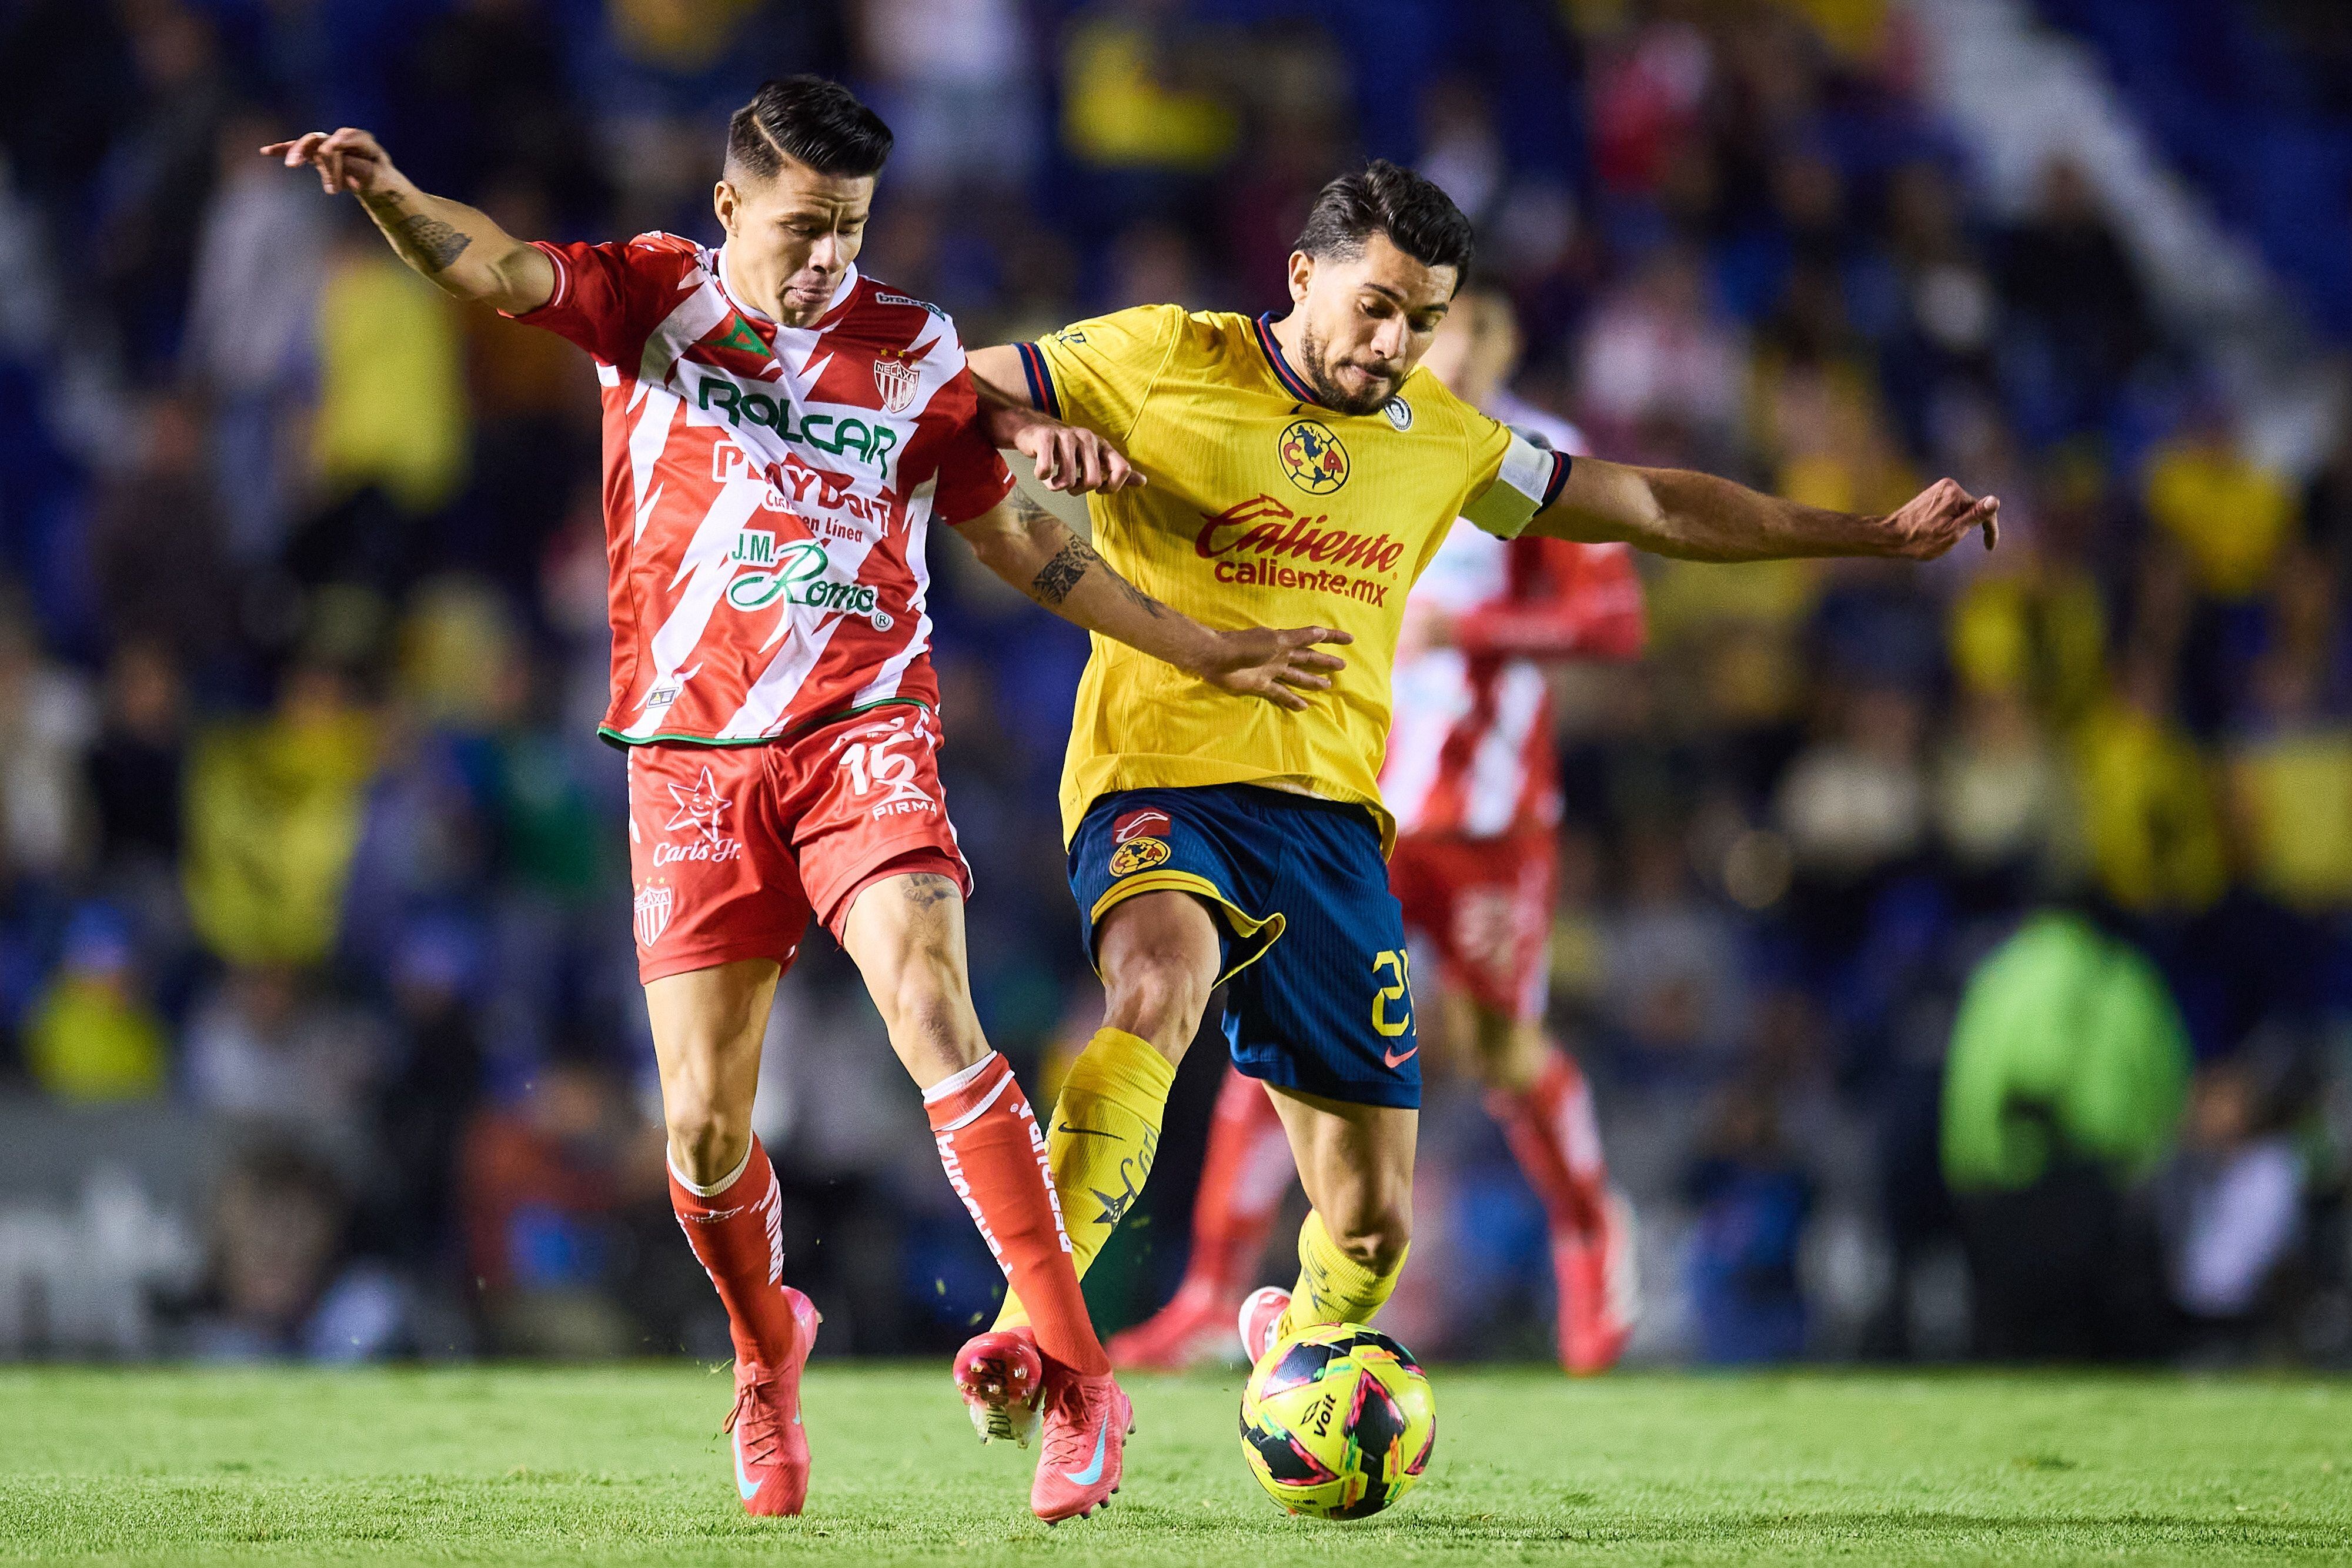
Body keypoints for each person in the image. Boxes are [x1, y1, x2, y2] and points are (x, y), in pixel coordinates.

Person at [262, 76, 1344, 1524]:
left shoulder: (910, 347)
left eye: (851, 226)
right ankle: (768, 1346)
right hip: (690, 760)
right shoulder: (652, 300)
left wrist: (1201, 642)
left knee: (929, 1005)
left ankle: (1081, 1377)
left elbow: (1016, 540)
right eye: (804, 223)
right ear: (728, 208)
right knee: (703, 1135)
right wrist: (395, 198)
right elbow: (497, 264)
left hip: (861, 729)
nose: (832, 253)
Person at [950, 159, 1996, 1431]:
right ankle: (1030, 1335)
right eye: (1376, 307)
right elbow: (950, 386)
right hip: (1156, 772)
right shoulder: (1163, 353)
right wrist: (1023, 428)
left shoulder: (1441, 441)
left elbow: (1649, 501)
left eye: (1423, 320)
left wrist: (1869, 537)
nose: (1395, 345)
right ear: (1300, 275)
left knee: (1374, 1224)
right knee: (1154, 989)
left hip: (1330, 822)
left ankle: (1299, 1339)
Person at [1105, 283, 1648, 1375]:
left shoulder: (1533, 459)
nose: (1459, 352)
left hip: (1488, 822)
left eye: (1484, 329)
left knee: (1499, 1050)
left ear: (1511, 340)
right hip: (1351, 808)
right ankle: (1213, 1296)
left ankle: (1592, 1236)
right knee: (1285, 1041)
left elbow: (1616, 619)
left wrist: (1478, 625)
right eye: (1448, 333)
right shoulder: (1347, 445)